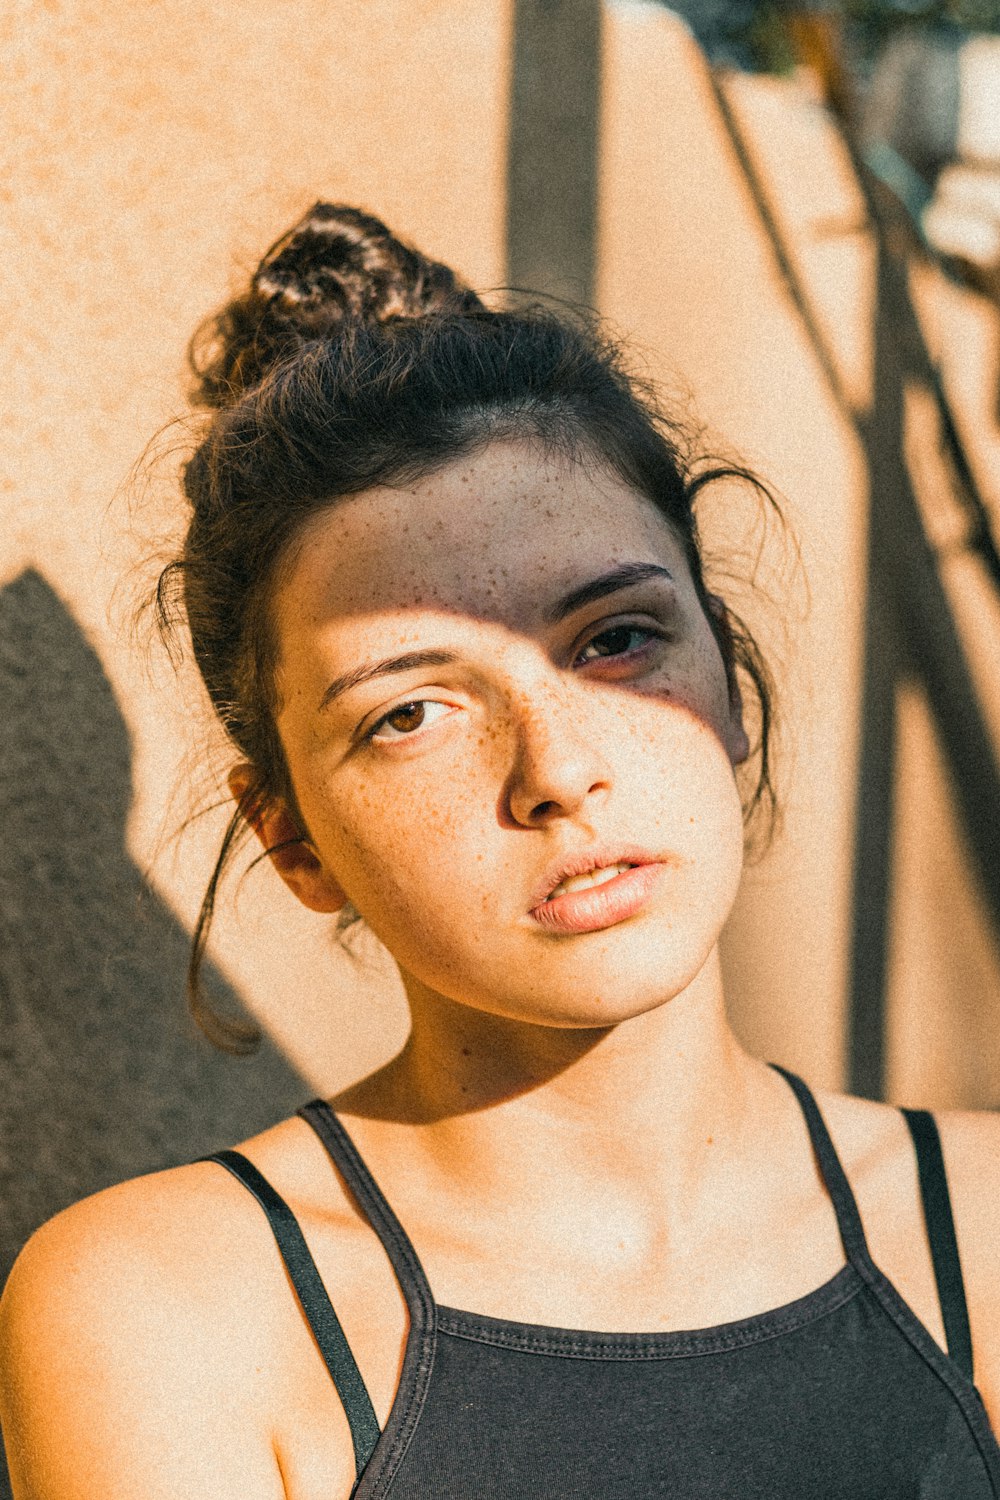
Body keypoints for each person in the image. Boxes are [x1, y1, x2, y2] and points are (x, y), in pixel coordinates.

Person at [2, 203, 999, 1500]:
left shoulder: (981, 1224)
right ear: (293, 839)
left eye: (617, 639)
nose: (558, 772)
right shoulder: (178, 1315)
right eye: (409, 713)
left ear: (732, 688)